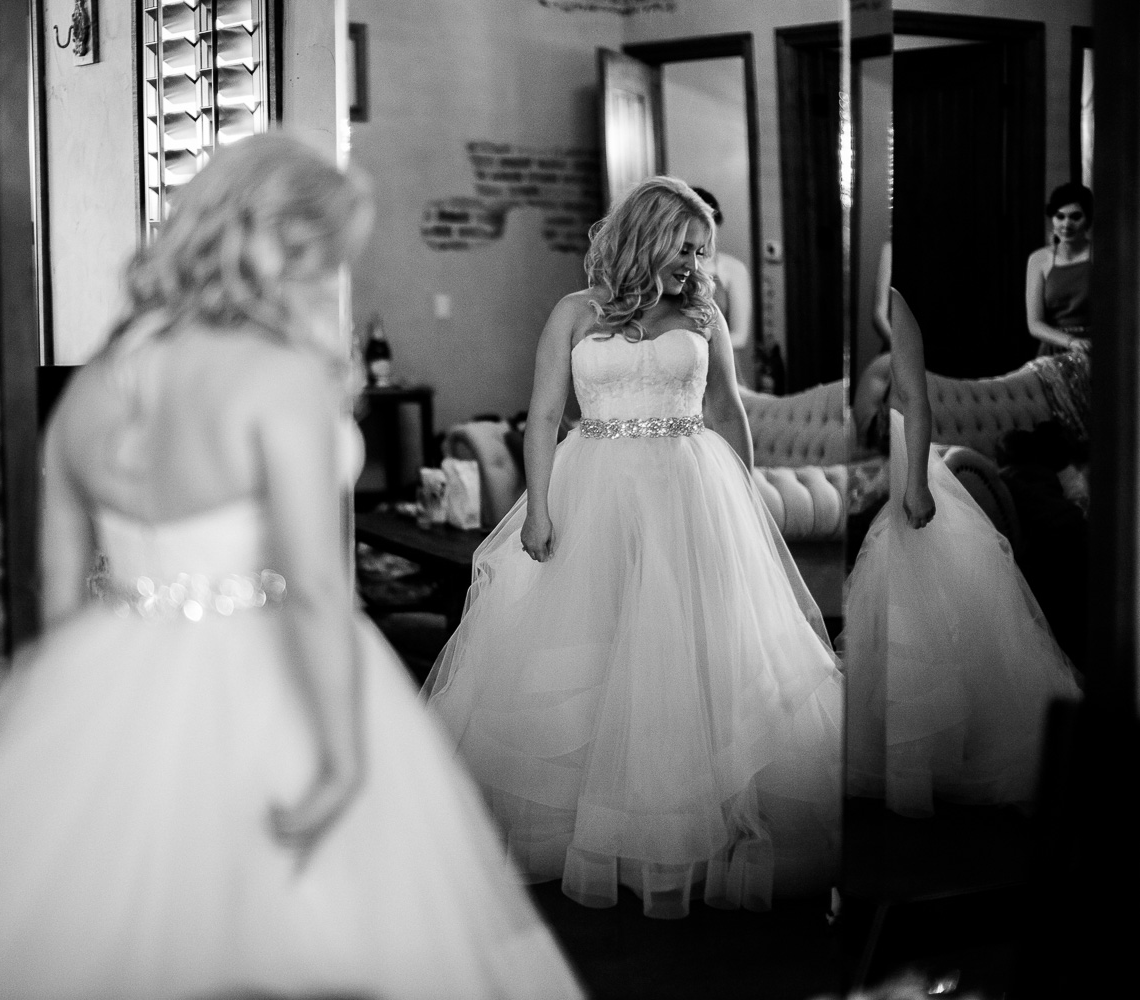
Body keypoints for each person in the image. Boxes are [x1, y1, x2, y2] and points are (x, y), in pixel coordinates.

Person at [0, 133, 585, 1000]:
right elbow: (311, 585)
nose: (327, 275)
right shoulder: (275, 380)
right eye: (323, 254)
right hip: (273, 676)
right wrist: (344, 760)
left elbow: (60, 587)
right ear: (284, 246)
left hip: (111, 683)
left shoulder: (102, 382)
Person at [423, 176, 843, 920]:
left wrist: (744, 498)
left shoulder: (701, 313)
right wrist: (539, 507)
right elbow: (544, 413)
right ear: (646, 236)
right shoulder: (574, 313)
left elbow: (726, 411)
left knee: (683, 651)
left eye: (701, 249)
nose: (693, 261)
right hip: (594, 489)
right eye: (683, 245)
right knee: (591, 646)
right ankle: (576, 825)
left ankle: (683, 822)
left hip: (689, 489)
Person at [840, 286, 1082, 818]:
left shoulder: (899, 307)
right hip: (878, 458)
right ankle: (896, 760)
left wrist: (918, 484)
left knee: (923, 598)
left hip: (912, 463)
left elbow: (917, 401)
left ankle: (933, 760)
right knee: (886, 605)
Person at [691, 186, 755, 387]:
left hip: (720, 369)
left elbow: (741, 336)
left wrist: (690, 343)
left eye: (711, 232)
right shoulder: (668, 270)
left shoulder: (732, 269)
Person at [1025, 182, 1093, 355]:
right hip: (1054, 350)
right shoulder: (1039, 260)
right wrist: (1070, 342)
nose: (1066, 224)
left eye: (1075, 217)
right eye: (1060, 216)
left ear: (1088, 220)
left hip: (1095, 348)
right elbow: (1035, 324)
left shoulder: (1102, 256)